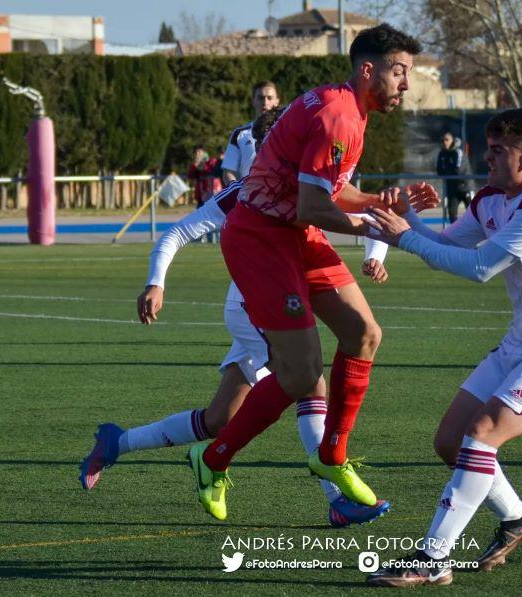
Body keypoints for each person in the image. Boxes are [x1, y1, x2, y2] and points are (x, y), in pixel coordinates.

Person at [80, 107, 402, 527]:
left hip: (269, 302)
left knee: (220, 419)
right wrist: (156, 282)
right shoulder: (247, 194)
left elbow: (352, 212)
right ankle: (337, 498)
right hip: (252, 306)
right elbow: (177, 232)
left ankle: (116, 442)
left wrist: (377, 250)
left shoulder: (306, 182)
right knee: (309, 380)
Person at [186, 24, 435, 522]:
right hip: (261, 239)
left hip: (295, 231)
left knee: (364, 333)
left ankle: (331, 456)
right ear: (369, 69)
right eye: (399, 71)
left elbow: (325, 191)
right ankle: (211, 458)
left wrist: (386, 202)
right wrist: (378, 228)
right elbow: (312, 204)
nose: (406, 83)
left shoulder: (347, 109)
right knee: (301, 372)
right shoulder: (338, 114)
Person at [363, 108, 522, 588]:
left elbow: (478, 268)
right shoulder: (492, 198)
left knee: (482, 433)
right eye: (486, 147)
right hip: (521, 345)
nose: (482, 158)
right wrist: (405, 217)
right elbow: (447, 248)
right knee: (450, 442)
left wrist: (404, 237)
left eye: (497, 152)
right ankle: (517, 519)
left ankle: (433, 557)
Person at [222, 80, 280, 184]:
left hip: (279, 196)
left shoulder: (286, 132)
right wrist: (239, 194)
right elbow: (229, 172)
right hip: (248, 197)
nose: (265, 102)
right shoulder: (239, 134)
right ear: (253, 101)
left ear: (277, 101)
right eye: (260, 97)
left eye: (269, 98)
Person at [436, 131, 473, 222]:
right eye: (443, 140)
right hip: (452, 189)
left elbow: (458, 170)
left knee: (472, 213)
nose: (444, 142)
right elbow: (439, 171)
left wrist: (446, 170)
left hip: (465, 187)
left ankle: (475, 233)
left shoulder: (459, 153)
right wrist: (448, 170)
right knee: (452, 213)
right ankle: (455, 235)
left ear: (452, 141)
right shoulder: (442, 154)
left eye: (447, 140)